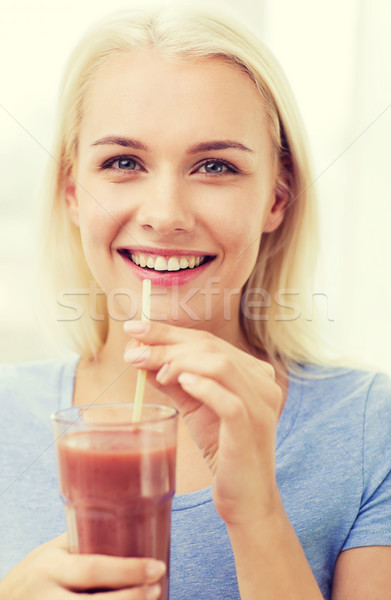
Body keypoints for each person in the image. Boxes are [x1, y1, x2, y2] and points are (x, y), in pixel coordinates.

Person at [1, 5, 391, 600]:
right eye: (123, 162)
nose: (165, 215)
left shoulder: (371, 429)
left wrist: (256, 510)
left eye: (215, 166)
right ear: (74, 192)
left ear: (276, 199)